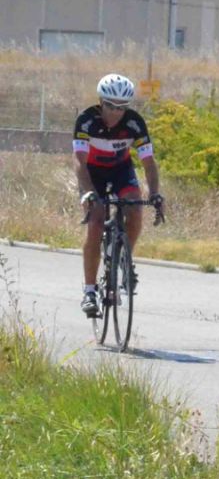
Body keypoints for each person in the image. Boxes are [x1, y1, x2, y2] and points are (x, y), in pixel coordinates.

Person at [74, 72, 162, 318]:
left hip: (121, 171)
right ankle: (89, 291)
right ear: (101, 102)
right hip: (92, 174)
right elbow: (79, 161)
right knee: (95, 222)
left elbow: (148, 163)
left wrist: (155, 193)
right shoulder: (86, 121)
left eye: (122, 107)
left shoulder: (134, 123)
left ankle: (123, 257)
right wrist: (89, 192)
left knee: (135, 210)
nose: (116, 112)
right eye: (111, 106)